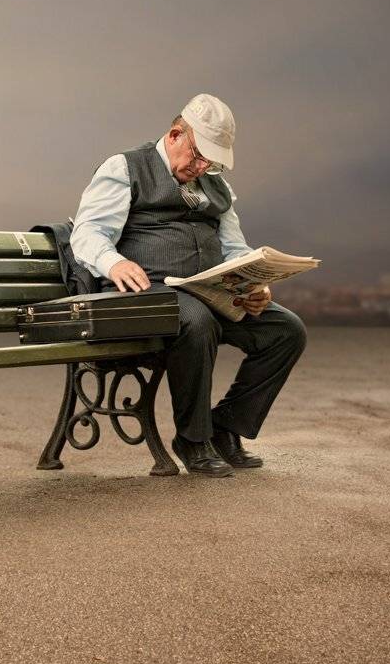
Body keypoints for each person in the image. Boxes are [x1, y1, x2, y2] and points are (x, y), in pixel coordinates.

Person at [69, 93, 307, 477]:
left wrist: (252, 284)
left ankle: (226, 427)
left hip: (206, 291)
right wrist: (115, 263)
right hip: (145, 293)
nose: (201, 167)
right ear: (175, 134)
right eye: (197, 156)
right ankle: (193, 439)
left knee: (285, 330)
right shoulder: (125, 167)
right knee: (197, 320)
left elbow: (234, 248)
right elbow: (88, 233)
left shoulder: (216, 185)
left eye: (211, 161)